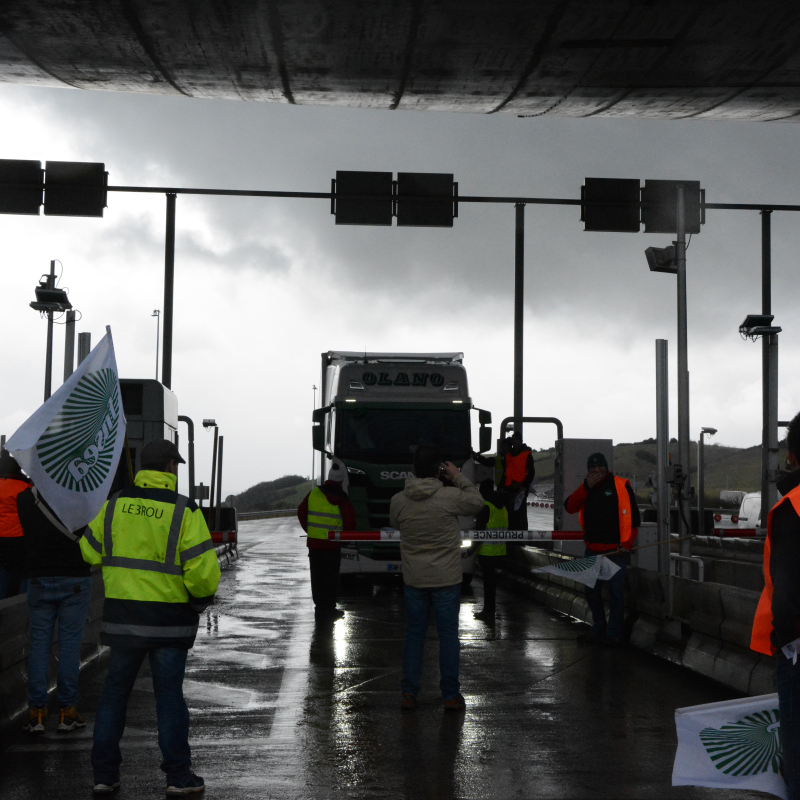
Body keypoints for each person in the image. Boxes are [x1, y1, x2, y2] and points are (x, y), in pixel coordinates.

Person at [80, 439, 220, 796]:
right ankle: (178, 777)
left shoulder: (114, 505)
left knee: (114, 695)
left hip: (123, 621)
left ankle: (104, 775)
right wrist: (197, 604)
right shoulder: (184, 511)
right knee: (170, 697)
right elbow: (203, 574)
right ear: (171, 467)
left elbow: (89, 552)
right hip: (170, 622)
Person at [390, 445, 484, 711]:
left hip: (415, 580)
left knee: (414, 635)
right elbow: (477, 503)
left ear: (412, 469)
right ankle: (450, 695)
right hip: (446, 580)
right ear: (438, 470)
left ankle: (409, 693)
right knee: (448, 636)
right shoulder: (450, 496)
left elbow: (395, 523)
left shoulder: (399, 500)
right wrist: (456, 476)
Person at [17, 479, 92, 734]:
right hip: (75, 580)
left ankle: (36, 714)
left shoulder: (24, 499)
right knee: (70, 645)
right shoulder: (81, 498)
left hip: (38, 579)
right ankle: (67, 713)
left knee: (39, 645)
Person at [751, 411, 800, 800]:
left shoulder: (791, 508)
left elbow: (786, 590)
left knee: (796, 743)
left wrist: (787, 642)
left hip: (797, 649)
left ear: (792, 456)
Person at [564, 452, 640, 646]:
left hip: (616, 551)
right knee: (590, 592)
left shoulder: (621, 486)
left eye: (599, 467)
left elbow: (634, 520)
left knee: (616, 594)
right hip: (591, 549)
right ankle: (598, 628)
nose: (596, 470)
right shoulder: (586, 488)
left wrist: (627, 544)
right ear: (588, 470)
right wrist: (585, 487)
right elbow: (570, 507)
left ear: (606, 467)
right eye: (592, 468)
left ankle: (613, 635)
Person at [297, 460, 356, 621]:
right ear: (341, 481)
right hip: (332, 545)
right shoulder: (342, 498)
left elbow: (301, 512)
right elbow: (350, 521)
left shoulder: (314, 493)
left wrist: (310, 530)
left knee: (317, 576)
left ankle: (319, 608)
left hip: (315, 544)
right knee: (331, 577)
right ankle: (330, 608)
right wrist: (345, 540)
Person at [473, 478, 508, 621]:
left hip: (487, 551)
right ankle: (490, 610)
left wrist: (470, 551)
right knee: (492, 583)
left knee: (488, 585)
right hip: (500, 550)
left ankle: (488, 611)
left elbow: (480, 532)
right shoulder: (502, 506)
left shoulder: (485, 506)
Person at [0, 449, 31, 598]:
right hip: (20, 538)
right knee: (25, 574)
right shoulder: (25, 488)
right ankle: (21, 607)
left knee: (3, 573)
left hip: (1, 538)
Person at [502, 432, 535, 531]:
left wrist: (524, 485)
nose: (514, 442)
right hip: (509, 488)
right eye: (513, 439)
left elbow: (531, 472)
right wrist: (503, 487)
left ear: (521, 441)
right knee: (510, 515)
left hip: (520, 489)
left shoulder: (526, 454)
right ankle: (512, 540)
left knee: (520, 516)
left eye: (516, 439)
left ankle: (521, 539)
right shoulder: (509, 454)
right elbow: (507, 471)